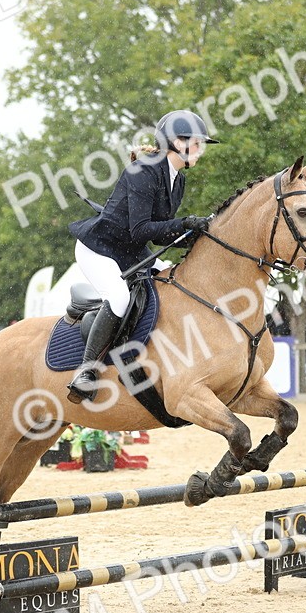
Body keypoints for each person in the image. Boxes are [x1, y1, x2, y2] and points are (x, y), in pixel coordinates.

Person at [64, 109, 218, 403]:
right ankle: (86, 371)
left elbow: (158, 236)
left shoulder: (177, 180)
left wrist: (196, 235)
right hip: (100, 248)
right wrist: (184, 223)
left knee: (170, 280)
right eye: (197, 143)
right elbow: (140, 230)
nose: (201, 150)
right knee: (119, 297)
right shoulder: (144, 171)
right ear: (178, 143)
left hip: (131, 250)